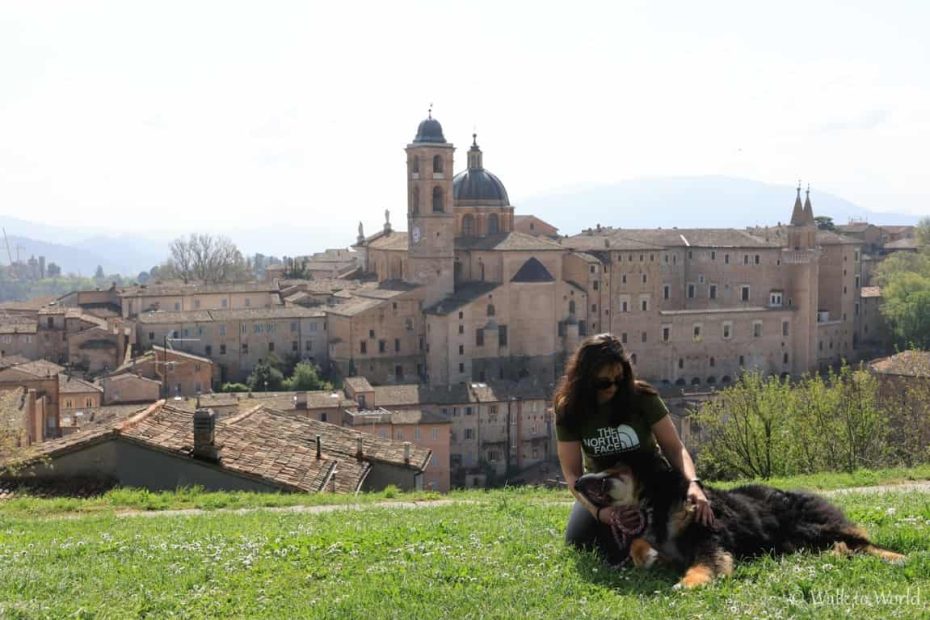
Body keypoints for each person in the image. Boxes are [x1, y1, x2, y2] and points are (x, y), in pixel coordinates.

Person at [554, 333, 713, 564]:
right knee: (580, 541)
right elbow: (572, 474)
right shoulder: (569, 410)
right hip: (605, 489)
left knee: (678, 529)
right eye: (604, 382)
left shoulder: (643, 397)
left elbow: (674, 448)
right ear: (585, 379)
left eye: (619, 379)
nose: (613, 388)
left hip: (651, 484)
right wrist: (601, 513)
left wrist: (693, 484)